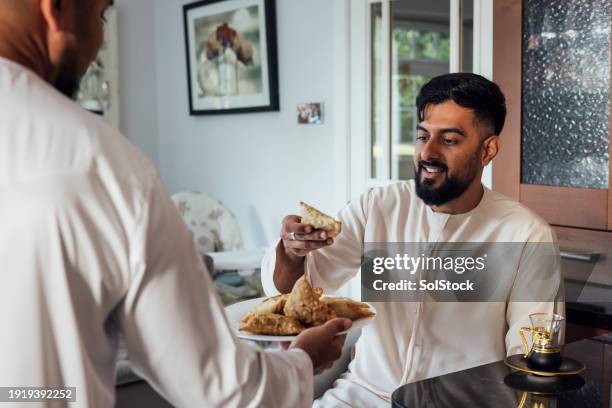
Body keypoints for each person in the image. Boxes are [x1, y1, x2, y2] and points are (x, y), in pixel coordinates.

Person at [0, 0, 351, 407]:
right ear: (55, 9)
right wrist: (304, 360)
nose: (99, 42)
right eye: (101, 16)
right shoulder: (102, 168)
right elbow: (219, 388)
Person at [261, 73, 564, 407]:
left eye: (449, 140)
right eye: (423, 136)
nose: (427, 153)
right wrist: (292, 253)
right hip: (361, 397)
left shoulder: (527, 235)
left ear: (488, 149)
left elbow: (532, 357)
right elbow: (294, 292)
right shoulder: (377, 207)